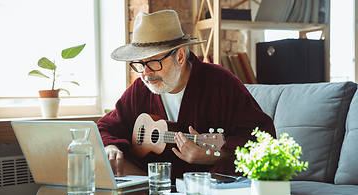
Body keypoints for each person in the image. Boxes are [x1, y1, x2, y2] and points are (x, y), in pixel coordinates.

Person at [97, 10, 276, 180]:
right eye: (140, 64)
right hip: (154, 193)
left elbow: (261, 137)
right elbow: (105, 126)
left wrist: (214, 155)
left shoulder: (221, 84)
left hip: (207, 191)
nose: (145, 73)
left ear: (180, 56)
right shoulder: (140, 90)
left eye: (153, 61)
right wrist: (110, 146)